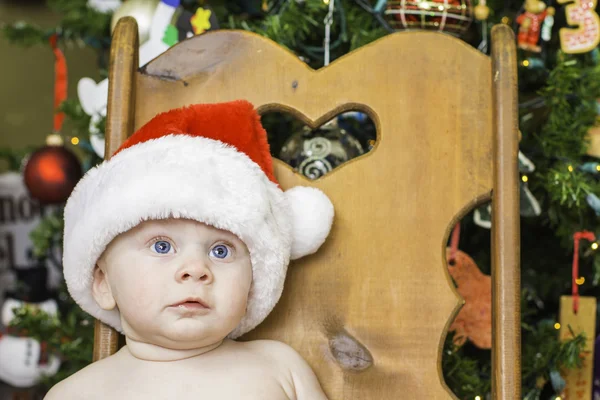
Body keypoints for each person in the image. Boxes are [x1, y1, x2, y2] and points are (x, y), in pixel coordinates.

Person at [45, 100, 335, 399]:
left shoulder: (279, 367)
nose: (196, 269)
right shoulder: (76, 393)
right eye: (162, 246)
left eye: (221, 251)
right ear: (103, 282)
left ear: (254, 282)